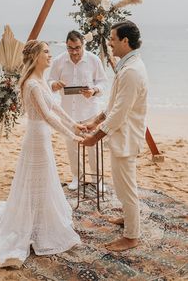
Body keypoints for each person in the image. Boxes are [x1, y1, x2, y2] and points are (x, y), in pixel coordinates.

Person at [0, 40, 85, 268]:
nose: (50, 55)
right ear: (36, 57)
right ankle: (34, 225)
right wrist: (71, 135)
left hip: (42, 137)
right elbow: (47, 116)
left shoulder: (41, 81)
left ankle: (38, 219)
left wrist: (75, 124)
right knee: (39, 179)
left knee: (42, 180)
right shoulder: (33, 85)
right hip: (37, 138)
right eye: (46, 52)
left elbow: (56, 108)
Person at [82, 21, 148, 252]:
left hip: (126, 137)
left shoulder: (131, 71)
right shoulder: (128, 66)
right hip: (122, 135)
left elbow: (120, 113)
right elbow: (115, 103)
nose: (109, 43)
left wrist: (94, 137)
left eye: (112, 39)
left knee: (126, 187)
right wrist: (96, 120)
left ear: (125, 41)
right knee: (122, 185)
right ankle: (128, 220)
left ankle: (131, 236)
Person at [48, 30, 108, 191]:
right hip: (68, 114)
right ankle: (77, 177)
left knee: (93, 148)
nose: (74, 52)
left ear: (83, 44)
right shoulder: (59, 61)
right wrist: (55, 85)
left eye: (77, 48)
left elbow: (103, 83)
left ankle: (98, 179)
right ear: (66, 45)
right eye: (70, 48)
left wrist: (94, 90)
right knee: (71, 147)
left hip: (90, 113)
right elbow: (49, 81)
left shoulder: (94, 60)